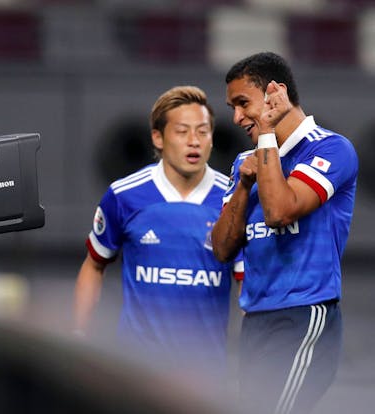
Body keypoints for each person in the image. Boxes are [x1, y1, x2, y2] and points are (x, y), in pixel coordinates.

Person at [212, 52, 358, 414]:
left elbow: (279, 211)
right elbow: (222, 248)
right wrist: (244, 186)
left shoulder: (331, 149)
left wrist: (265, 136)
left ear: (274, 93)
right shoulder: (244, 164)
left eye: (243, 103)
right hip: (255, 320)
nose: (236, 117)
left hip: (305, 317)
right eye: (232, 107)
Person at [74, 86, 243, 377]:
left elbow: (247, 287)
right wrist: (79, 336)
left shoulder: (233, 200)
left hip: (206, 378)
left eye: (203, 132)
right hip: (137, 372)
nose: (194, 142)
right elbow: (94, 266)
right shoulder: (124, 195)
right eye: (182, 131)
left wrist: (250, 360)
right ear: (158, 137)